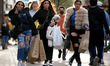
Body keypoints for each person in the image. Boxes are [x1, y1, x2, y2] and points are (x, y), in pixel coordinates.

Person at [8, 1, 37, 66]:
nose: (20, 6)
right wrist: (15, 14)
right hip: (20, 31)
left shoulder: (26, 12)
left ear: (23, 6)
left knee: (27, 47)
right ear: (16, 5)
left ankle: (23, 61)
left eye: (21, 5)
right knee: (21, 45)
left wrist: (35, 32)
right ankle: (19, 60)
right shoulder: (12, 13)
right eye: (19, 4)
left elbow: (31, 21)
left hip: (28, 31)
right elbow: (13, 23)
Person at [64, 0, 89, 66]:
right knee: (76, 45)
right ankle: (79, 62)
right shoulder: (69, 10)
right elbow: (67, 21)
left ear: (80, 5)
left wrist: (85, 26)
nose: (77, 5)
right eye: (76, 4)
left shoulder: (84, 11)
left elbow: (85, 20)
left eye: (79, 4)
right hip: (73, 29)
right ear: (74, 4)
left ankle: (72, 58)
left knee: (79, 47)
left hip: (81, 29)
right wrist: (67, 31)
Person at [33, 0, 56, 66]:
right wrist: (36, 28)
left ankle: (50, 60)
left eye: (48, 3)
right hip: (43, 31)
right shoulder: (40, 12)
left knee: (51, 46)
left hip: (51, 31)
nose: (46, 4)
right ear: (42, 4)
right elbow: (33, 19)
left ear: (49, 4)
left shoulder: (51, 12)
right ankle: (45, 61)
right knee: (45, 45)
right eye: (45, 3)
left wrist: (54, 23)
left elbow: (56, 20)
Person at [88, 0, 109, 66]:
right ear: (96, 3)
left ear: (90, 3)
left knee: (91, 45)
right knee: (100, 45)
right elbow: (105, 22)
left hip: (91, 30)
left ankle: (94, 56)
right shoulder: (101, 11)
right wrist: (107, 32)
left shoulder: (88, 11)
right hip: (100, 30)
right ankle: (99, 59)